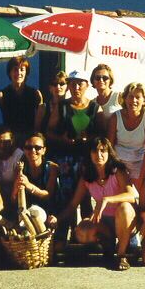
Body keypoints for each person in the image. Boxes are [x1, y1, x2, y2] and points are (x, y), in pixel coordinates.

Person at [58, 138, 137, 271]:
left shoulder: (117, 170)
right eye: (95, 151)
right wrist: (57, 219)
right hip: (105, 221)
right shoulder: (87, 176)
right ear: (90, 153)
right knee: (82, 231)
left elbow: (132, 196)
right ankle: (108, 243)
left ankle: (121, 254)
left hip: (125, 219)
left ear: (109, 153)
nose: (99, 155)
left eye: (103, 151)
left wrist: (106, 199)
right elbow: (73, 205)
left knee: (124, 207)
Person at [47, 69, 103, 218]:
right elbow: (49, 132)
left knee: (85, 198)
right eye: (72, 84)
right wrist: (61, 139)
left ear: (87, 85)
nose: (76, 88)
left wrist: (90, 139)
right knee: (67, 198)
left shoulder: (95, 108)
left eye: (80, 84)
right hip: (66, 159)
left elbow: (102, 136)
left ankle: (85, 235)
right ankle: (65, 235)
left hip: (87, 159)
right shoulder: (61, 106)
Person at [0, 56, 43, 144]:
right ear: (9, 72)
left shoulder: (35, 94)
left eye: (22, 69)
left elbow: (40, 120)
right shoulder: (2, 95)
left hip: (29, 143)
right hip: (10, 143)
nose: (19, 73)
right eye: (15, 69)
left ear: (26, 72)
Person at [108, 82, 145, 193]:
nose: (133, 101)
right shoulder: (115, 117)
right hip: (119, 162)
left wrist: (142, 176)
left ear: (144, 100)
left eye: (138, 97)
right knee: (121, 197)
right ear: (124, 98)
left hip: (139, 162)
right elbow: (109, 146)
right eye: (130, 97)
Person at [12, 132, 59, 217]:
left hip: (49, 212)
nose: (33, 151)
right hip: (26, 212)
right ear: (24, 150)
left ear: (44, 150)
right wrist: (16, 187)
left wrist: (28, 186)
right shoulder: (19, 169)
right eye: (28, 147)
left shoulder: (52, 168)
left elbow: (48, 195)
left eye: (37, 148)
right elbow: (13, 199)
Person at [0, 125, 23, 218]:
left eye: (7, 142)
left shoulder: (18, 155)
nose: (3, 145)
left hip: (14, 197)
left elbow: (18, 182)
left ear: (12, 141)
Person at [90, 64, 122, 131]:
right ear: (93, 81)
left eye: (105, 78)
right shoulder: (92, 103)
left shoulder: (119, 97)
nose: (101, 80)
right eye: (97, 78)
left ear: (110, 80)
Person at [36, 71, 68, 136]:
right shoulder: (43, 108)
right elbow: (37, 130)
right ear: (50, 88)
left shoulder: (71, 106)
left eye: (62, 83)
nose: (58, 87)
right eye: (54, 84)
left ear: (67, 87)